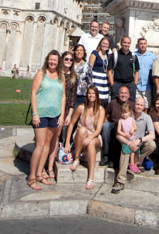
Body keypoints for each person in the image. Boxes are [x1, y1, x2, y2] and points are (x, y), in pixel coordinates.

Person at [28, 51, 65, 190]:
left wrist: (61, 115)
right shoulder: (41, 74)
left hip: (54, 114)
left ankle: (39, 174)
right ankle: (31, 177)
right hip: (41, 113)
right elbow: (33, 93)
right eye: (51, 60)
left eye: (55, 60)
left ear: (58, 62)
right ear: (47, 60)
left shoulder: (60, 76)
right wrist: (35, 113)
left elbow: (63, 96)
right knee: (40, 145)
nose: (53, 62)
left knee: (48, 143)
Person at [111, 95, 156, 194]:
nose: (139, 106)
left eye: (141, 105)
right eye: (137, 104)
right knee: (125, 150)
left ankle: (136, 163)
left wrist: (139, 140)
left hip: (139, 143)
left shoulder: (147, 117)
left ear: (144, 107)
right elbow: (118, 135)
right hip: (128, 143)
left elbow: (152, 135)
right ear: (134, 105)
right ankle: (120, 181)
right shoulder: (126, 116)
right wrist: (128, 142)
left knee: (152, 145)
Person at [44, 51, 78, 180]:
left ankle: (50, 166)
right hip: (52, 108)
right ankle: (43, 165)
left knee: (56, 137)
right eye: (66, 59)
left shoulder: (74, 77)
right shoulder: (55, 74)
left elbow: (72, 98)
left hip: (64, 111)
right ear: (61, 60)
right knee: (47, 139)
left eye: (70, 59)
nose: (68, 61)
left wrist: (69, 114)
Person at [65, 85, 105, 190]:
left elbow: (98, 130)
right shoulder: (81, 108)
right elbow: (71, 124)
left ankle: (91, 177)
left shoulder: (101, 110)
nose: (91, 95)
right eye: (89, 93)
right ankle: (77, 158)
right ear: (86, 95)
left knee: (91, 143)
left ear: (96, 96)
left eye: (93, 93)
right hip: (80, 134)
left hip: (94, 135)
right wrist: (67, 142)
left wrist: (90, 137)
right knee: (82, 129)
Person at [100, 85, 131, 167]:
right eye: (121, 93)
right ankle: (106, 156)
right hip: (113, 126)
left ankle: (114, 159)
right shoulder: (113, 103)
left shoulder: (131, 105)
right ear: (118, 94)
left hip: (125, 130)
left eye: (125, 93)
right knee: (105, 126)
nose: (123, 95)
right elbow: (106, 116)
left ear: (129, 95)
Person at [108, 36, 139, 100]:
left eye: (128, 43)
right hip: (117, 83)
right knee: (115, 104)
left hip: (130, 84)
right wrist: (112, 85)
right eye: (124, 42)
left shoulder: (133, 56)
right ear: (121, 43)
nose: (126, 44)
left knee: (131, 105)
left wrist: (134, 85)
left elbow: (136, 72)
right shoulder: (115, 55)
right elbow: (109, 71)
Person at [88, 37, 112, 106]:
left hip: (104, 81)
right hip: (96, 79)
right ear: (100, 44)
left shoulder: (108, 56)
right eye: (103, 43)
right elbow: (90, 68)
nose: (105, 45)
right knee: (95, 99)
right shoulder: (95, 53)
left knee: (103, 101)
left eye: (107, 44)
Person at [134, 38, 157, 107]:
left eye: (144, 44)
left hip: (148, 86)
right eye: (141, 44)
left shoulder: (152, 57)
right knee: (136, 106)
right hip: (136, 86)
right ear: (138, 45)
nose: (143, 45)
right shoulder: (133, 55)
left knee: (147, 106)